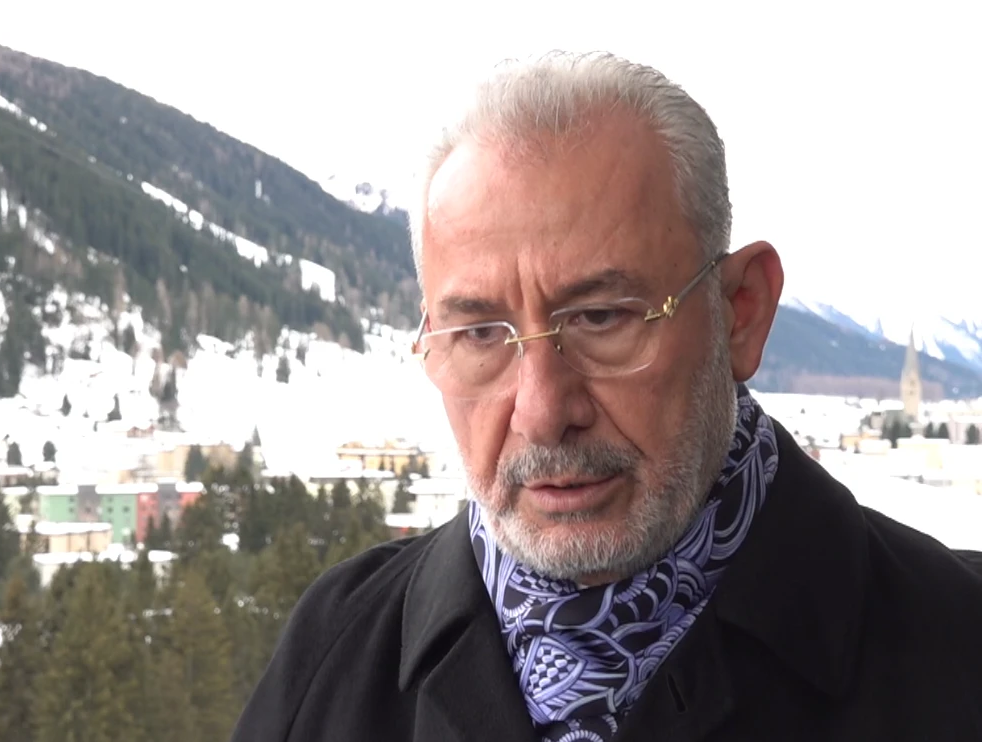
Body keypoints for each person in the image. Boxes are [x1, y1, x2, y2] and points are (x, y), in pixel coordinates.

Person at [229, 51, 982, 742]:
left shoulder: (955, 651)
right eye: (481, 335)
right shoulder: (335, 653)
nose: (543, 410)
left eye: (600, 318)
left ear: (741, 313)